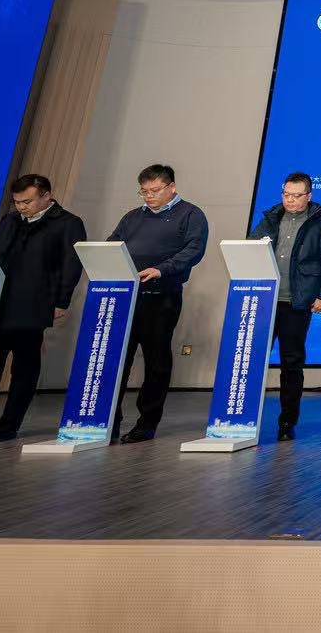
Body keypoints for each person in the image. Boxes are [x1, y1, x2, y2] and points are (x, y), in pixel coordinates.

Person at [0, 174, 87, 442]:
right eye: (18, 202)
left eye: (27, 202)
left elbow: (72, 265)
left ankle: (7, 427)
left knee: (23, 371)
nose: (22, 207)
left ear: (46, 196)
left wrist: (62, 301)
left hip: (34, 306)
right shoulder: (10, 221)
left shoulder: (68, 223)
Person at [107, 163, 209, 443]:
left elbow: (194, 250)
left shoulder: (191, 214)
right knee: (117, 360)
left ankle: (146, 424)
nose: (149, 196)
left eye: (155, 190)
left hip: (162, 296)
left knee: (156, 363)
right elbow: (112, 244)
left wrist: (162, 269)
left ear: (171, 187)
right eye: (144, 191)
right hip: (125, 296)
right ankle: (108, 421)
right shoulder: (132, 217)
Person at [249, 171, 321, 442]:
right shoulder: (269, 219)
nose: (289, 200)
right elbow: (250, 248)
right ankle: (242, 418)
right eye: (286, 194)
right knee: (252, 359)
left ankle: (287, 421)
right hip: (265, 300)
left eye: (296, 195)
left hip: (296, 303)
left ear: (308, 196)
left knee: (291, 364)